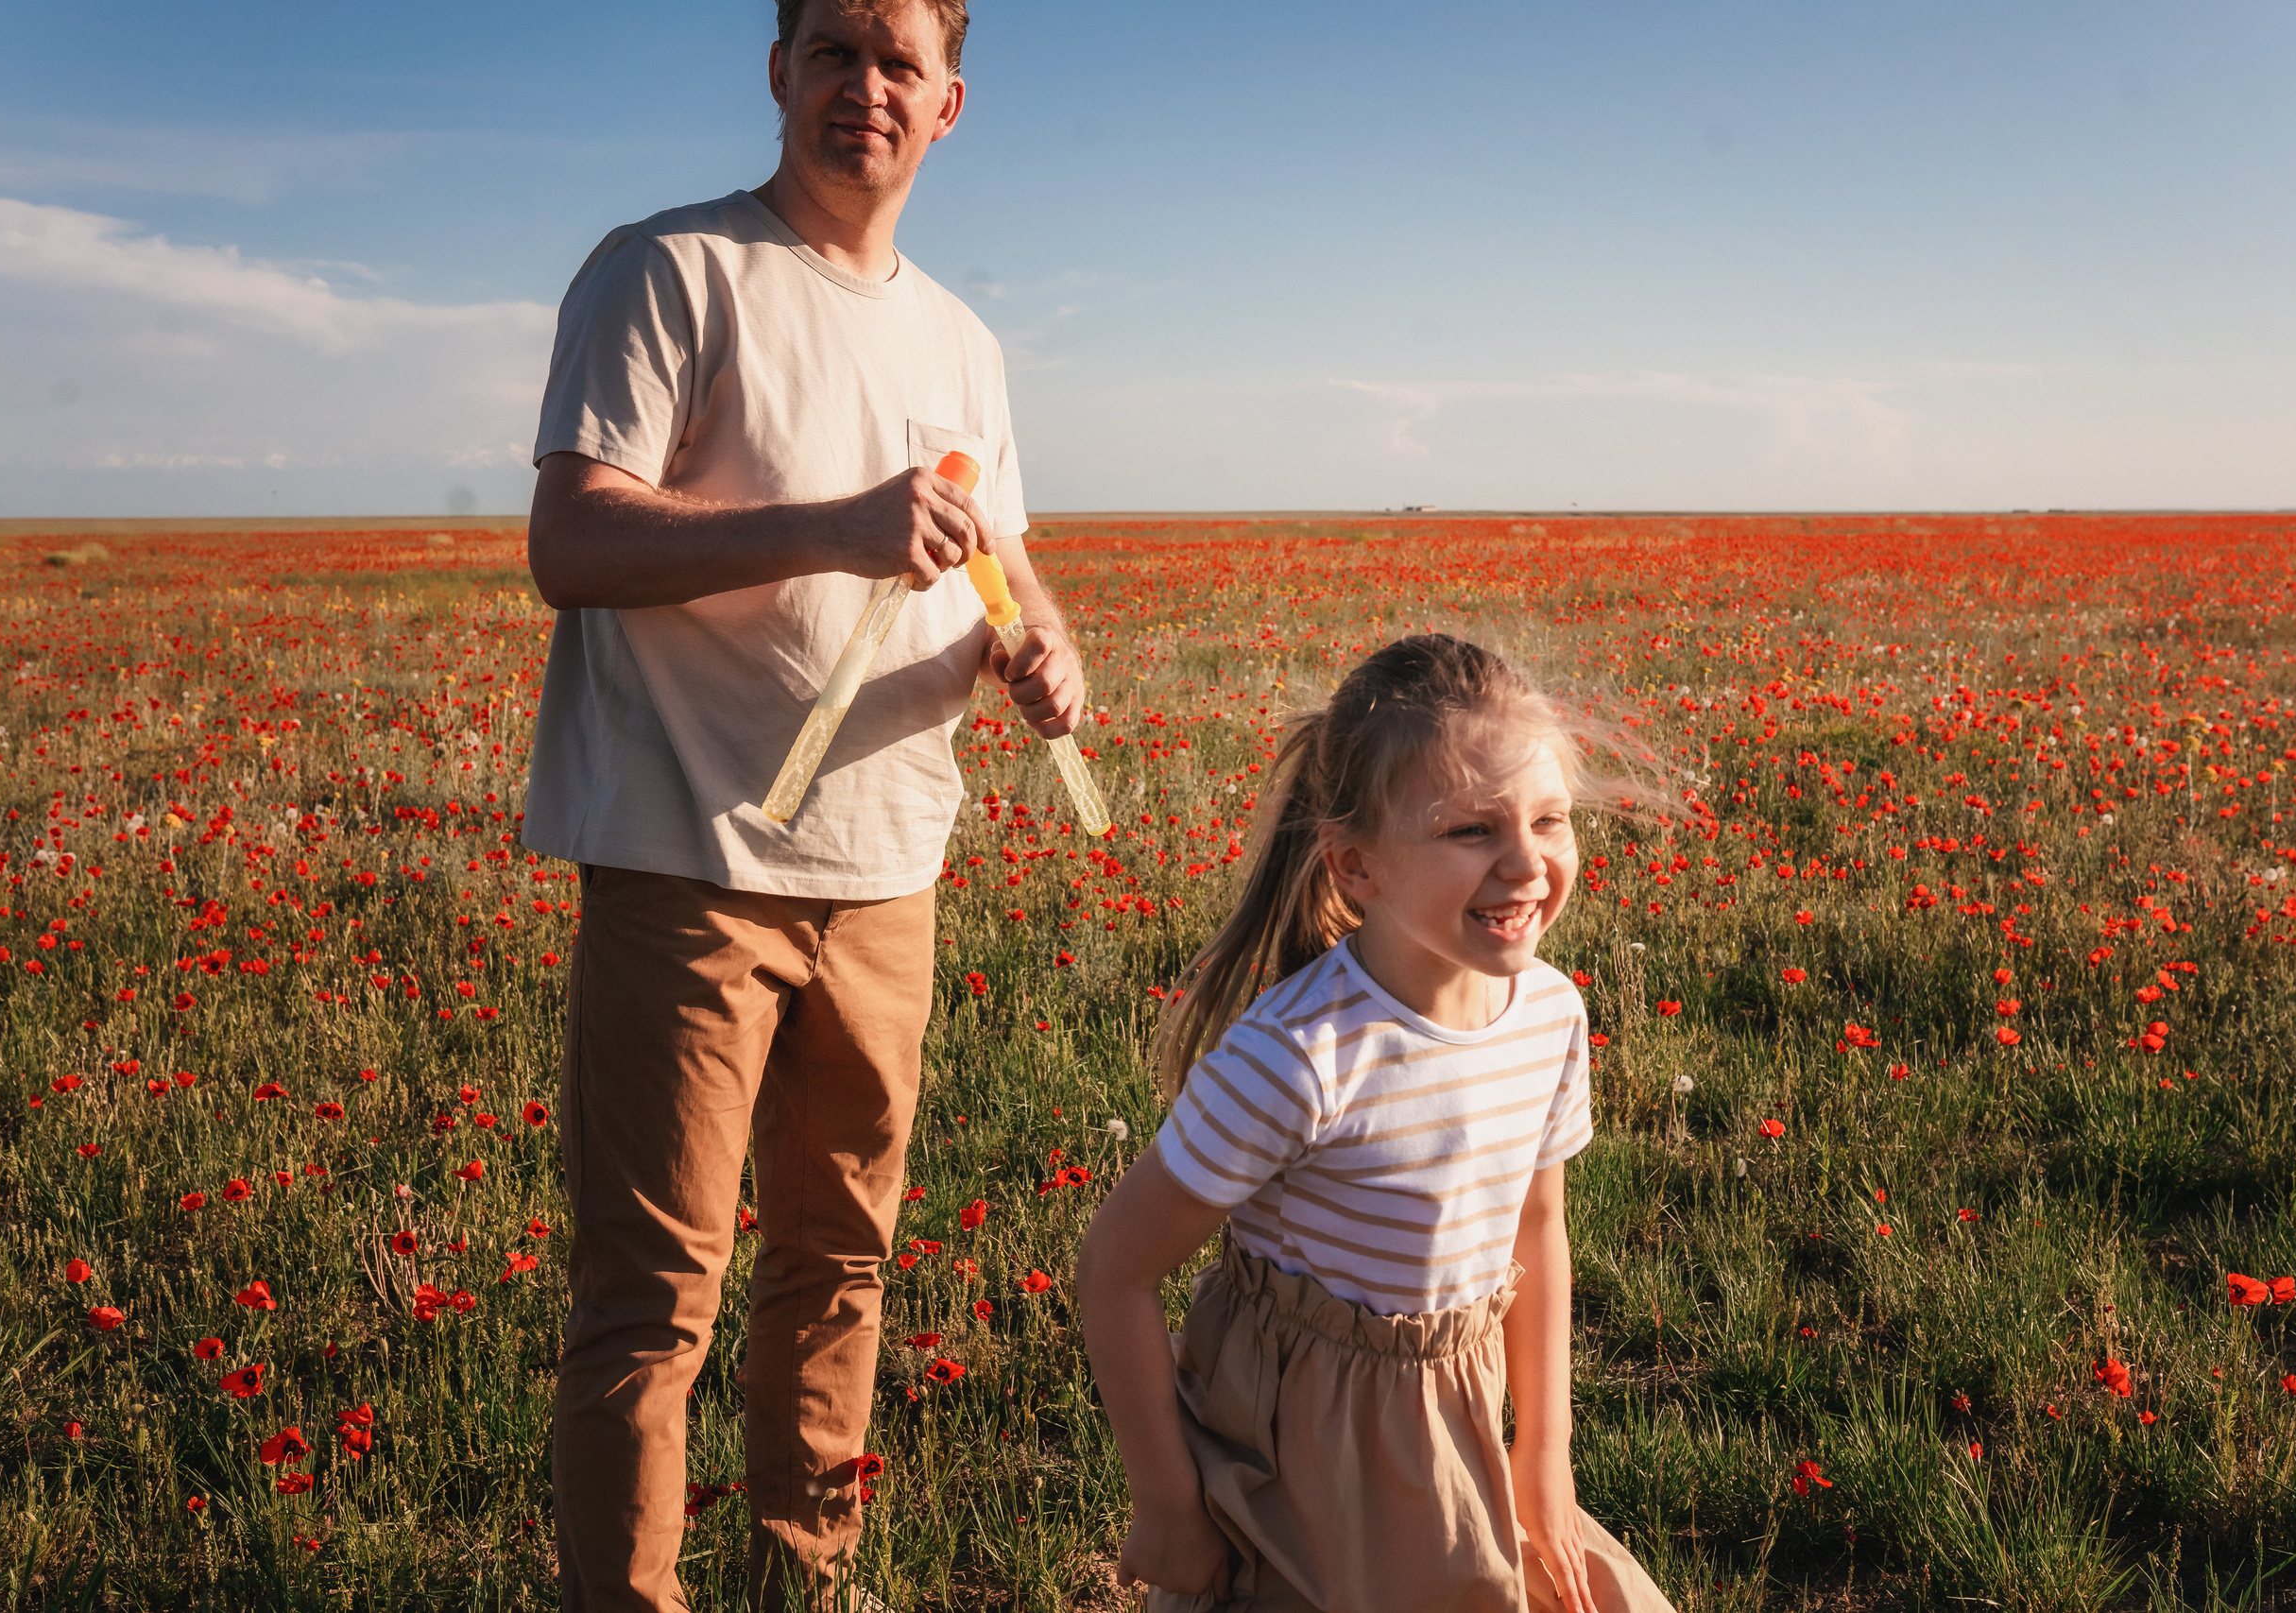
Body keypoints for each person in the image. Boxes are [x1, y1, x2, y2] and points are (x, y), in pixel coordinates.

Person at [520, 1, 1079, 1607]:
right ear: (777, 73)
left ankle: (802, 1575)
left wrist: (1041, 653)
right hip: (688, 852)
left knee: (840, 1261)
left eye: (898, 59)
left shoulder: (963, 338)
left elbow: (1002, 562)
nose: (866, 87)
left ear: (951, 101)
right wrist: (833, 524)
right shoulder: (671, 271)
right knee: (654, 1291)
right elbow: (575, 543)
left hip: (890, 861)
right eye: (833, 49)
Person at [1075, 637, 1680, 1613]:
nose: (1526, 863)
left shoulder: (1550, 1014)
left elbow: (1536, 1229)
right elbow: (1114, 1269)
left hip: (1463, 1411)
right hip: (1309, 1444)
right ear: (1357, 866)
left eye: (1549, 820)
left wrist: (1546, 1459)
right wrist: (1169, 1508)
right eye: (1471, 831)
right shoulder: (1298, 1055)